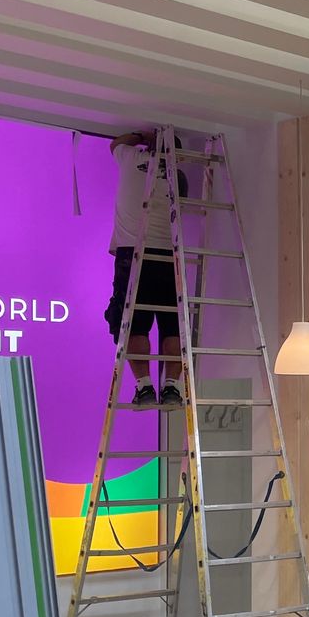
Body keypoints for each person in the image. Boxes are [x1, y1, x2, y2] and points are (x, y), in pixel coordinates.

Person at [106, 129, 186, 409]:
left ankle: (144, 387)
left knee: (133, 324)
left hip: (134, 254)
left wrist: (140, 136)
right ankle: (172, 387)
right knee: (173, 326)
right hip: (168, 256)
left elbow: (116, 143)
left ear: (151, 148)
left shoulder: (131, 159)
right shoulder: (179, 179)